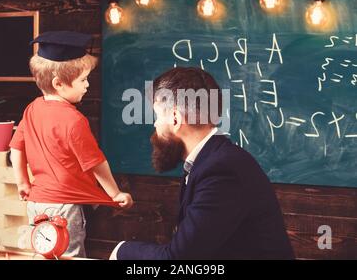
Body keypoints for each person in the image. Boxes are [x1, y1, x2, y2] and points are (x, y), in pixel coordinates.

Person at [110, 67, 294, 260]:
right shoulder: (210, 160)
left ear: (175, 118)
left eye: (158, 117)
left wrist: (121, 251)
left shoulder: (222, 170)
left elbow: (180, 260)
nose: (155, 125)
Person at [10, 31, 133, 258]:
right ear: (58, 83)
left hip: (36, 203)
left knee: (43, 255)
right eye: (83, 80)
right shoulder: (74, 120)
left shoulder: (33, 108)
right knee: (69, 255)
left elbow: (16, 149)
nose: (87, 85)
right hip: (64, 207)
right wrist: (115, 193)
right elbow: (96, 162)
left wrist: (22, 183)